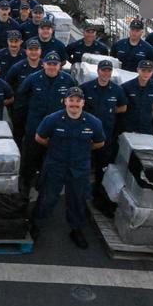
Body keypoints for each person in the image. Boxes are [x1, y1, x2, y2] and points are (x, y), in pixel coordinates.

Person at [30, 87, 106, 249]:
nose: (74, 104)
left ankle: (76, 229)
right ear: (65, 101)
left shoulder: (93, 122)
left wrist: (83, 150)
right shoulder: (52, 119)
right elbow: (39, 138)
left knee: (77, 200)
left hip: (79, 168)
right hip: (55, 165)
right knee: (47, 197)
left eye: (78, 101)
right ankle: (35, 225)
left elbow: (99, 143)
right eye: (71, 100)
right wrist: (55, 148)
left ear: (83, 103)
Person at [17, 52, 77, 191]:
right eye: (49, 64)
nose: (52, 67)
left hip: (57, 125)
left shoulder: (68, 80)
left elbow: (74, 101)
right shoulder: (32, 79)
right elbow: (21, 99)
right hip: (35, 123)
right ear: (43, 64)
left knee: (53, 155)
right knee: (31, 155)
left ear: (59, 66)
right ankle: (26, 183)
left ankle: (47, 183)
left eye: (55, 64)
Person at [81, 59, 128, 213]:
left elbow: (122, 107)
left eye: (109, 71)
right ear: (98, 71)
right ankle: (80, 192)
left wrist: (109, 113)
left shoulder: (116, 90)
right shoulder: (86, 88)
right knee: (84, 164)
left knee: (102, 166)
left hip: (106, 134)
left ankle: (97, 194)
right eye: (103, 70)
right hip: (86, 134)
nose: (106, 73)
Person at [6, 39, 43, 145]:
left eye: (36, 49)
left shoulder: (46, 67)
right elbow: (7, 85)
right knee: (17, 135)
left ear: (40, 51)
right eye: (31, 49)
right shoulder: (17, 68)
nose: (33, 52)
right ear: (26, 51)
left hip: (39, 109)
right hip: (21, 108)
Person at [121, 59, 153, 134]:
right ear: (138, 70)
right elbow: (120, 103)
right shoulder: (127, 86)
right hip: (128, 124)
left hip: (146, 125)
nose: (146, 73)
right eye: (143, 70)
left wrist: (149, 107)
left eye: (149, 71)